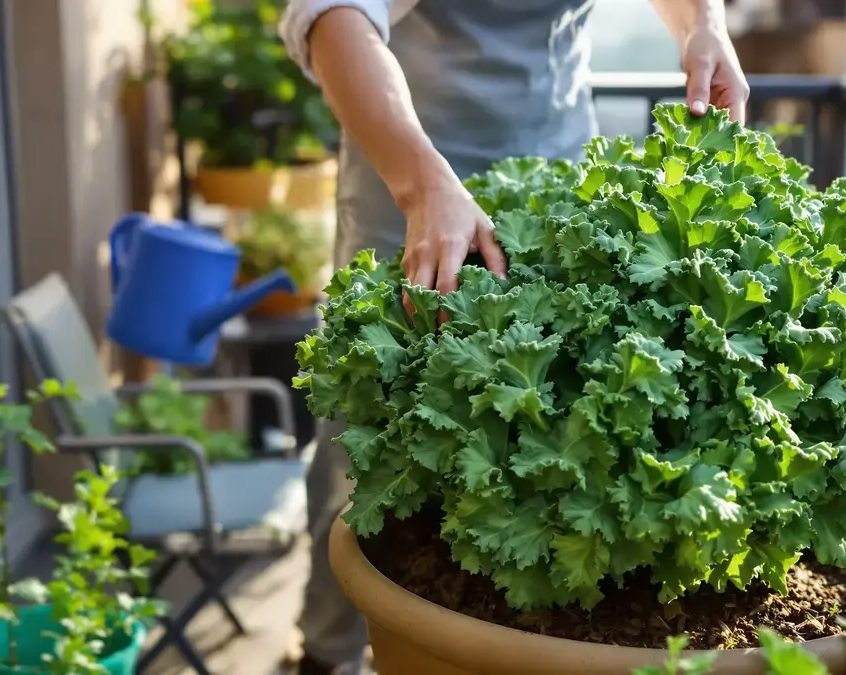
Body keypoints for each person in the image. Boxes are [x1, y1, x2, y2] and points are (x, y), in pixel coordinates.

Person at [279, 1, 750, 673]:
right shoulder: (414, 190)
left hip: (551, 192)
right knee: (363, 464)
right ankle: (329, 652)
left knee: (542, 447)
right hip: (413, 196)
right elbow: (336, 18)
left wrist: (705, 24)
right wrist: (420, 187)